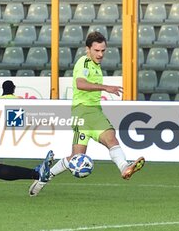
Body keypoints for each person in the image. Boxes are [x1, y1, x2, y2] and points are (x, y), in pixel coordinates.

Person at [29, 31, 145, 196]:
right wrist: (106, 87)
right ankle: (123, 166)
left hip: (91, 111)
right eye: (97, 50)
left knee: (93, 148)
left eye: (103, 51)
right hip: (83, 111)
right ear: (88, 49)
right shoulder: (84, 63)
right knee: (91, 148)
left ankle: (43, 178)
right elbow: (80, 84)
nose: (100, 54)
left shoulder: (96, 66)